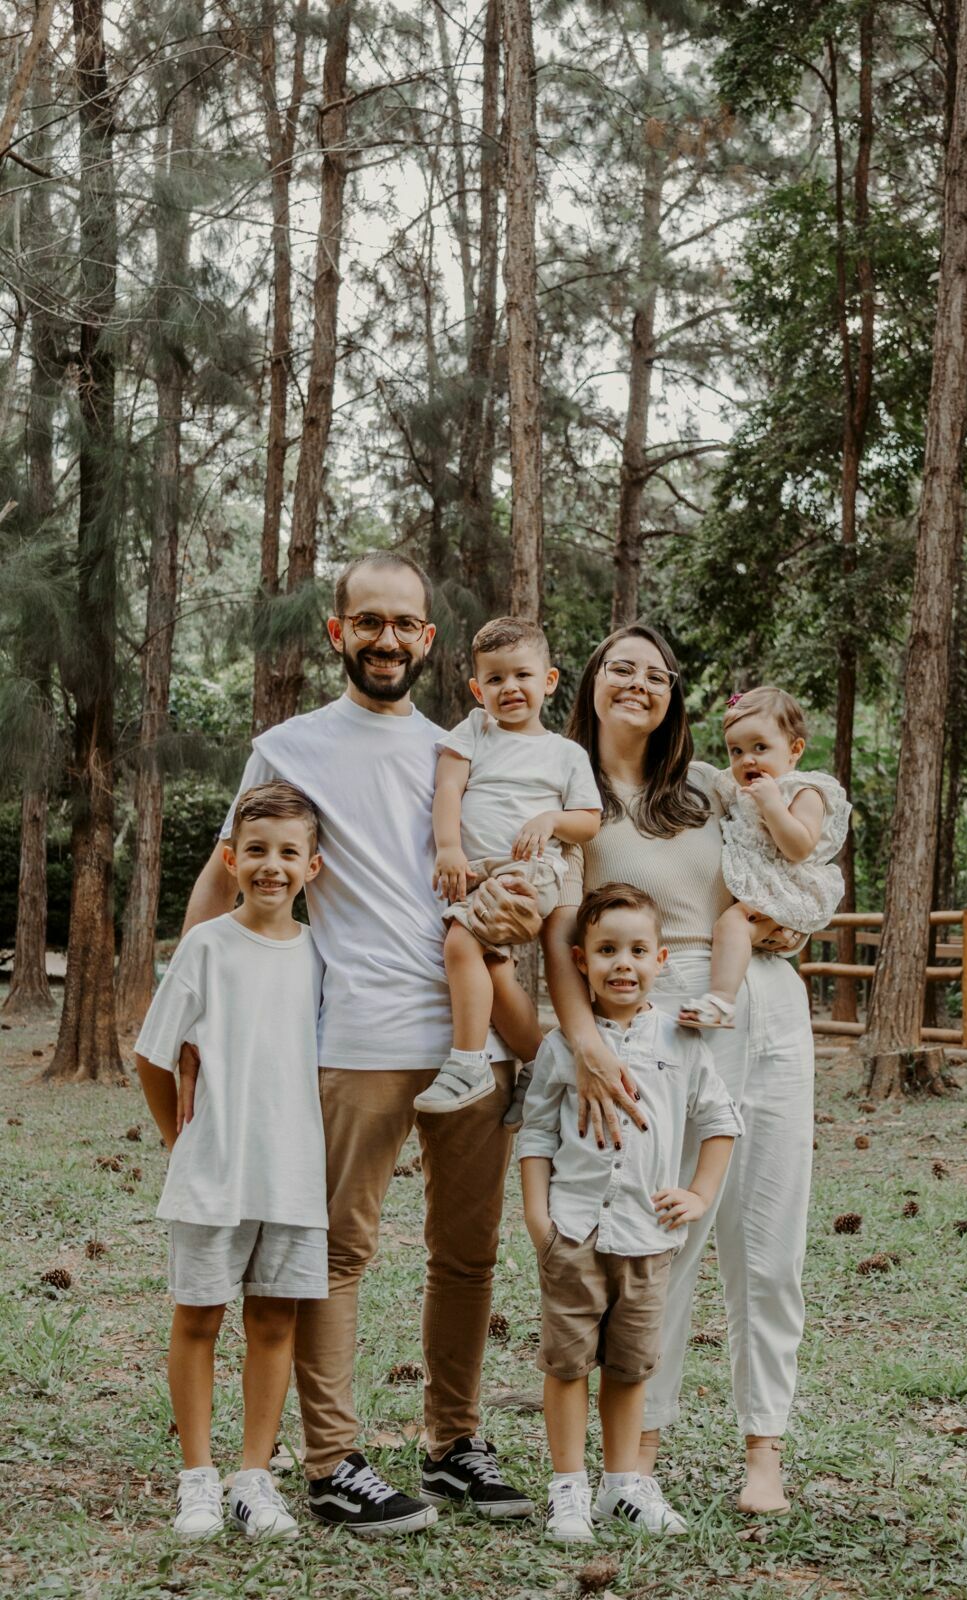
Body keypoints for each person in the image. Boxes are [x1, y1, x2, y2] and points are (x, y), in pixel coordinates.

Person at [181, 552, 540, 1536]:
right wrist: (189, 1014)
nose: (386, 638)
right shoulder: (288, 748)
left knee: (467, 1254)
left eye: (405, 624)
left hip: (469, 1041)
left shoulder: (458, 750)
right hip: (356, 1036)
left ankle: (453, 1441)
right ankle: (334, 1461)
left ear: (429, 639)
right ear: (337, 632)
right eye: (366, 621)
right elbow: (224, 878)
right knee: (335, 1252)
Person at [542, 626, 814, 1518]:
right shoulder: (566, 792)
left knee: (767, 1242)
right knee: (654, 1231)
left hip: (758, 1003)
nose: (639, 684)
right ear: (590, 683)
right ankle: (637, 1454)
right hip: (648, 1027)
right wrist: (581, 1038)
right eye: (621, 668)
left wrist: (790, 923)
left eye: (657, 675)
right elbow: (556, 937)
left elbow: (788, 863)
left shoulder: (706, 786)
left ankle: (762, 1449)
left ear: (673, 698)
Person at [518, 883, 743, 1542]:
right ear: (581, 960)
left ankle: (623, 1487)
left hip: (647, 1236)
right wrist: (538, 1217)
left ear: (661, 959)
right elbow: (534, 1134)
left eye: (637, 950)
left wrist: (698, 1192)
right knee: (565, 1365)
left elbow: (719, 1119)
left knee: (629, 1365)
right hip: (575, 1228)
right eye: (607, 949)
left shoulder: (680, 1039)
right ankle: (568, 1489)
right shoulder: (565, 1046)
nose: (622, 963)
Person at [134, 781, 327, 1542]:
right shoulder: (207, 945)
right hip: (214, 1170)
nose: (272, 866)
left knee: (275, 1322)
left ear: (313, 866)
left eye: (289, 853)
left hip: (293, 1172)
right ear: (230, 858)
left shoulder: (321, 953)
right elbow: (153, 1055)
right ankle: (198, 1479)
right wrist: (179, 1142)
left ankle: (253, 1476)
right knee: (199, 1319)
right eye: (256, 851)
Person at [417, 615, 601, 1114]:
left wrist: (551, 820)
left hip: (530, 871)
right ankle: (540, 1064)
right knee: (491, 966)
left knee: (460, 940)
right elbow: (448, 790)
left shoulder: (565, 754)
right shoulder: (475, 731)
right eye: (495, 679)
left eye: (522, 674)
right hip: (479, 872)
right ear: (478, 690)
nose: (510, 687)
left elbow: (589, 821)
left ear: (549, 680)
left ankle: (467, 1062)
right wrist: (449, 848)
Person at [683, 684, 851, 1029]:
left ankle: (721, 1001)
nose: (747, 759)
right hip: (756, 890)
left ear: (794, 750)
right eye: (736, 750)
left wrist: (773, 805)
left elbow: (800, 846)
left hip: (785, 887)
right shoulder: (737, 790)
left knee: (731, 924)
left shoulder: (802, 790)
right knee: (733, 925)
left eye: (760, 747)